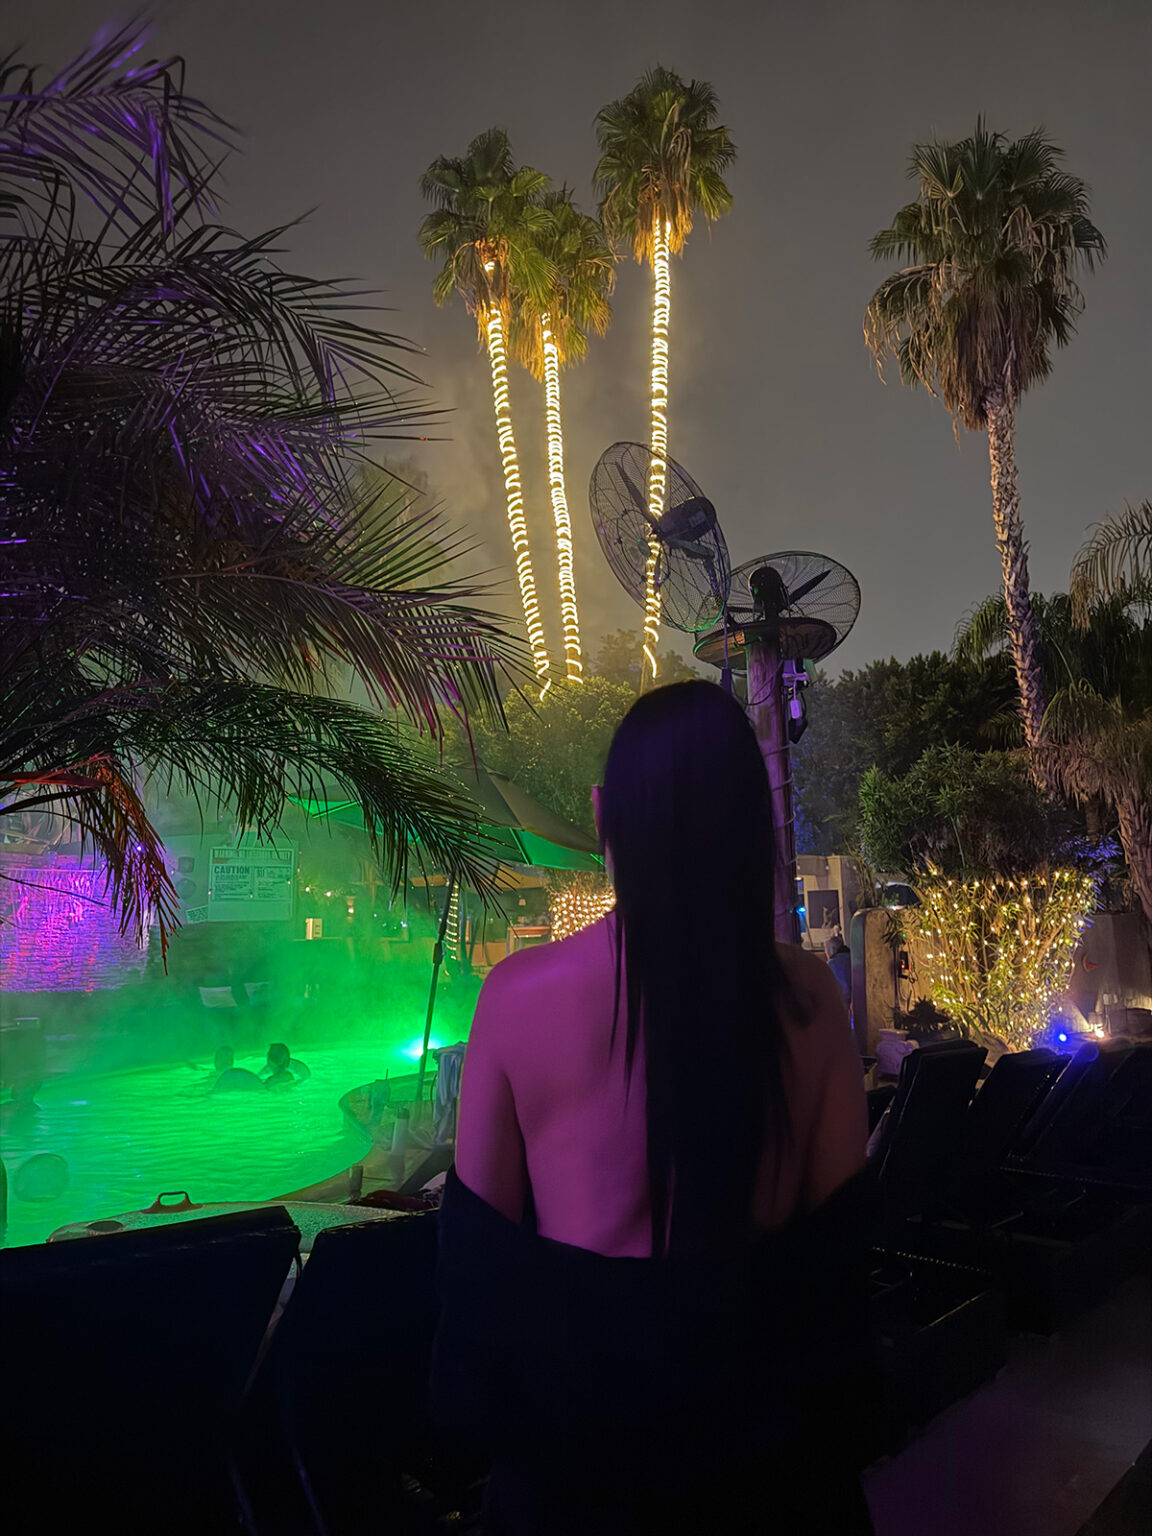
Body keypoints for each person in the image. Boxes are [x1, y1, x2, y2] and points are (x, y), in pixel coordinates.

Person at [433, 681, 874, 1535]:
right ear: (752, 824)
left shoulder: (516, 999)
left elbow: (477, 1285)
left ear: (604, 815)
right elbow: (838, 1261)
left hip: (581, 1478)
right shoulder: (812, 1000)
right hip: (773, 1475)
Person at [825, 932, 853, 1010]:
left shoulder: (831, 964)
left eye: (826, 950)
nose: (825, 953)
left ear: (831, 950)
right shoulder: (852, 957)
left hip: (842, 1001)